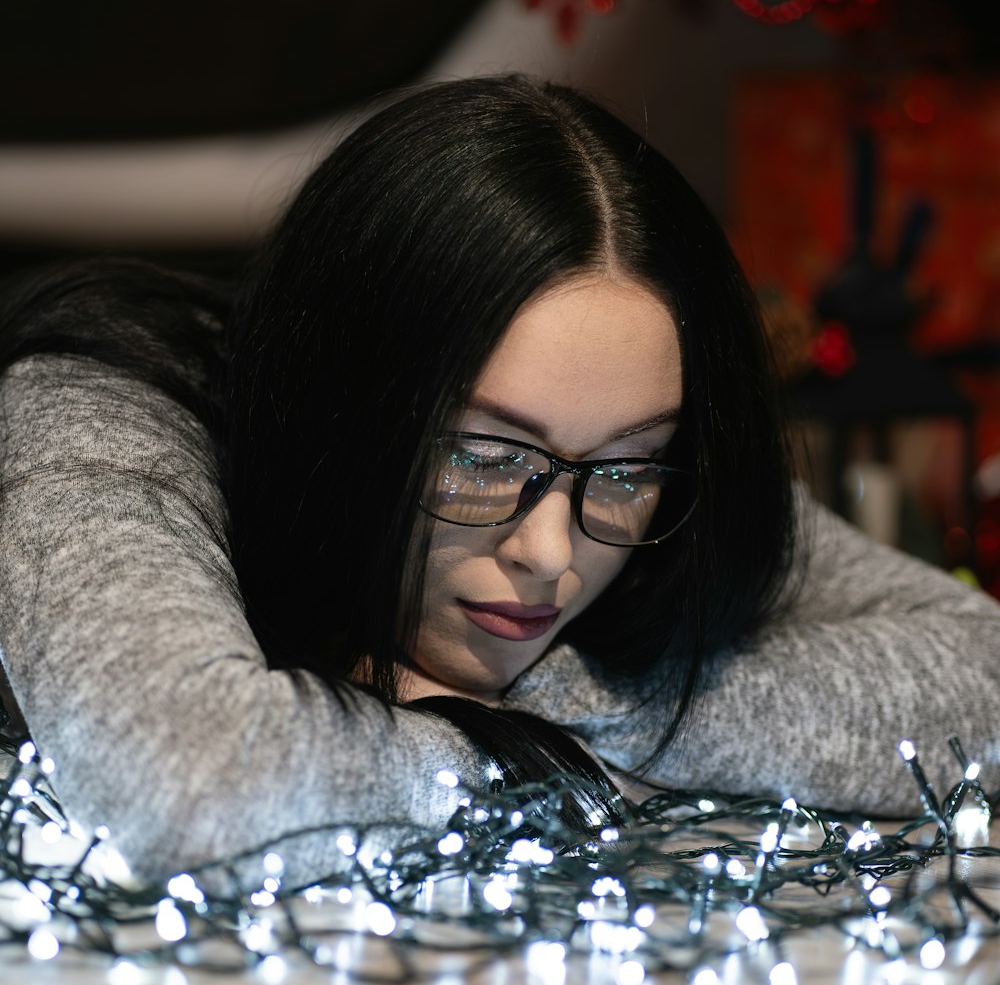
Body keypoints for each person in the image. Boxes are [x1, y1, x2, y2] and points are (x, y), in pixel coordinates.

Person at [0, 75, 998, 888]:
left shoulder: (665, 495)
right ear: (348, 402)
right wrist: (517, 759)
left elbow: (982, 675)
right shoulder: (105, 411)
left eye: (623, 467)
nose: (550, 553)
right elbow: (188, 783)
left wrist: (590, 704)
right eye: (483, 457)